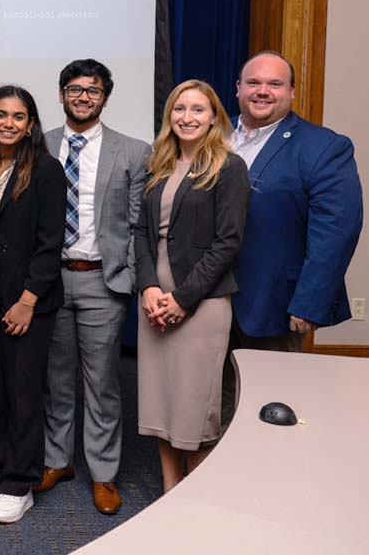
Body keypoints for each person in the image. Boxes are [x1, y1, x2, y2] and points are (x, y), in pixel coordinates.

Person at [223, 51, 362, 425]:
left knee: (269, 406)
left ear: (292, 92)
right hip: (207, 299)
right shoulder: (212, 136)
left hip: (275, 303)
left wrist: (311, 302)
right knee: (213, 403)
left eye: (274, 84)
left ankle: (266, 480)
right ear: (238, 89)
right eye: (253, 83)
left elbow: (337, 230)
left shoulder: (323, 146)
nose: (262, 91)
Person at [38, 59, 151, 515]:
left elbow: (138, 222)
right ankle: (56, 460)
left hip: (102, 282)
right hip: (50, 280)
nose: (84, 97)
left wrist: (126, 274)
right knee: (55, 378)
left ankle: (103, 473)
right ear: (61, 93)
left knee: (103, 381)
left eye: (93, 90)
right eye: (75, 89)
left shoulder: (133, 150)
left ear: (105, 97)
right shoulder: (39, 145)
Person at [134, 79, 249, 493]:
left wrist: (183, 298)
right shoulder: (159, 164)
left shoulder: (229, 166)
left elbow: (228, 242)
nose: (187, 117)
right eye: (180, 109)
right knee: (162, 401)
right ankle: (170, 489)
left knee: (194, 407)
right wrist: (147, 286)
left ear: (214, 116)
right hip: (154, 301)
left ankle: (193, 496)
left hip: (201, 302)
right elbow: (143, 235)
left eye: (198, 109)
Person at [0, 85, 67, 525]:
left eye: (18, 116)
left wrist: (28, 300)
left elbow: (49, 244)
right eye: (0, 115)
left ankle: (19, 482)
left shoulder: (45, 169)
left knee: (22, 388)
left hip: (26, 288)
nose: (8, 123)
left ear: (30, 124)